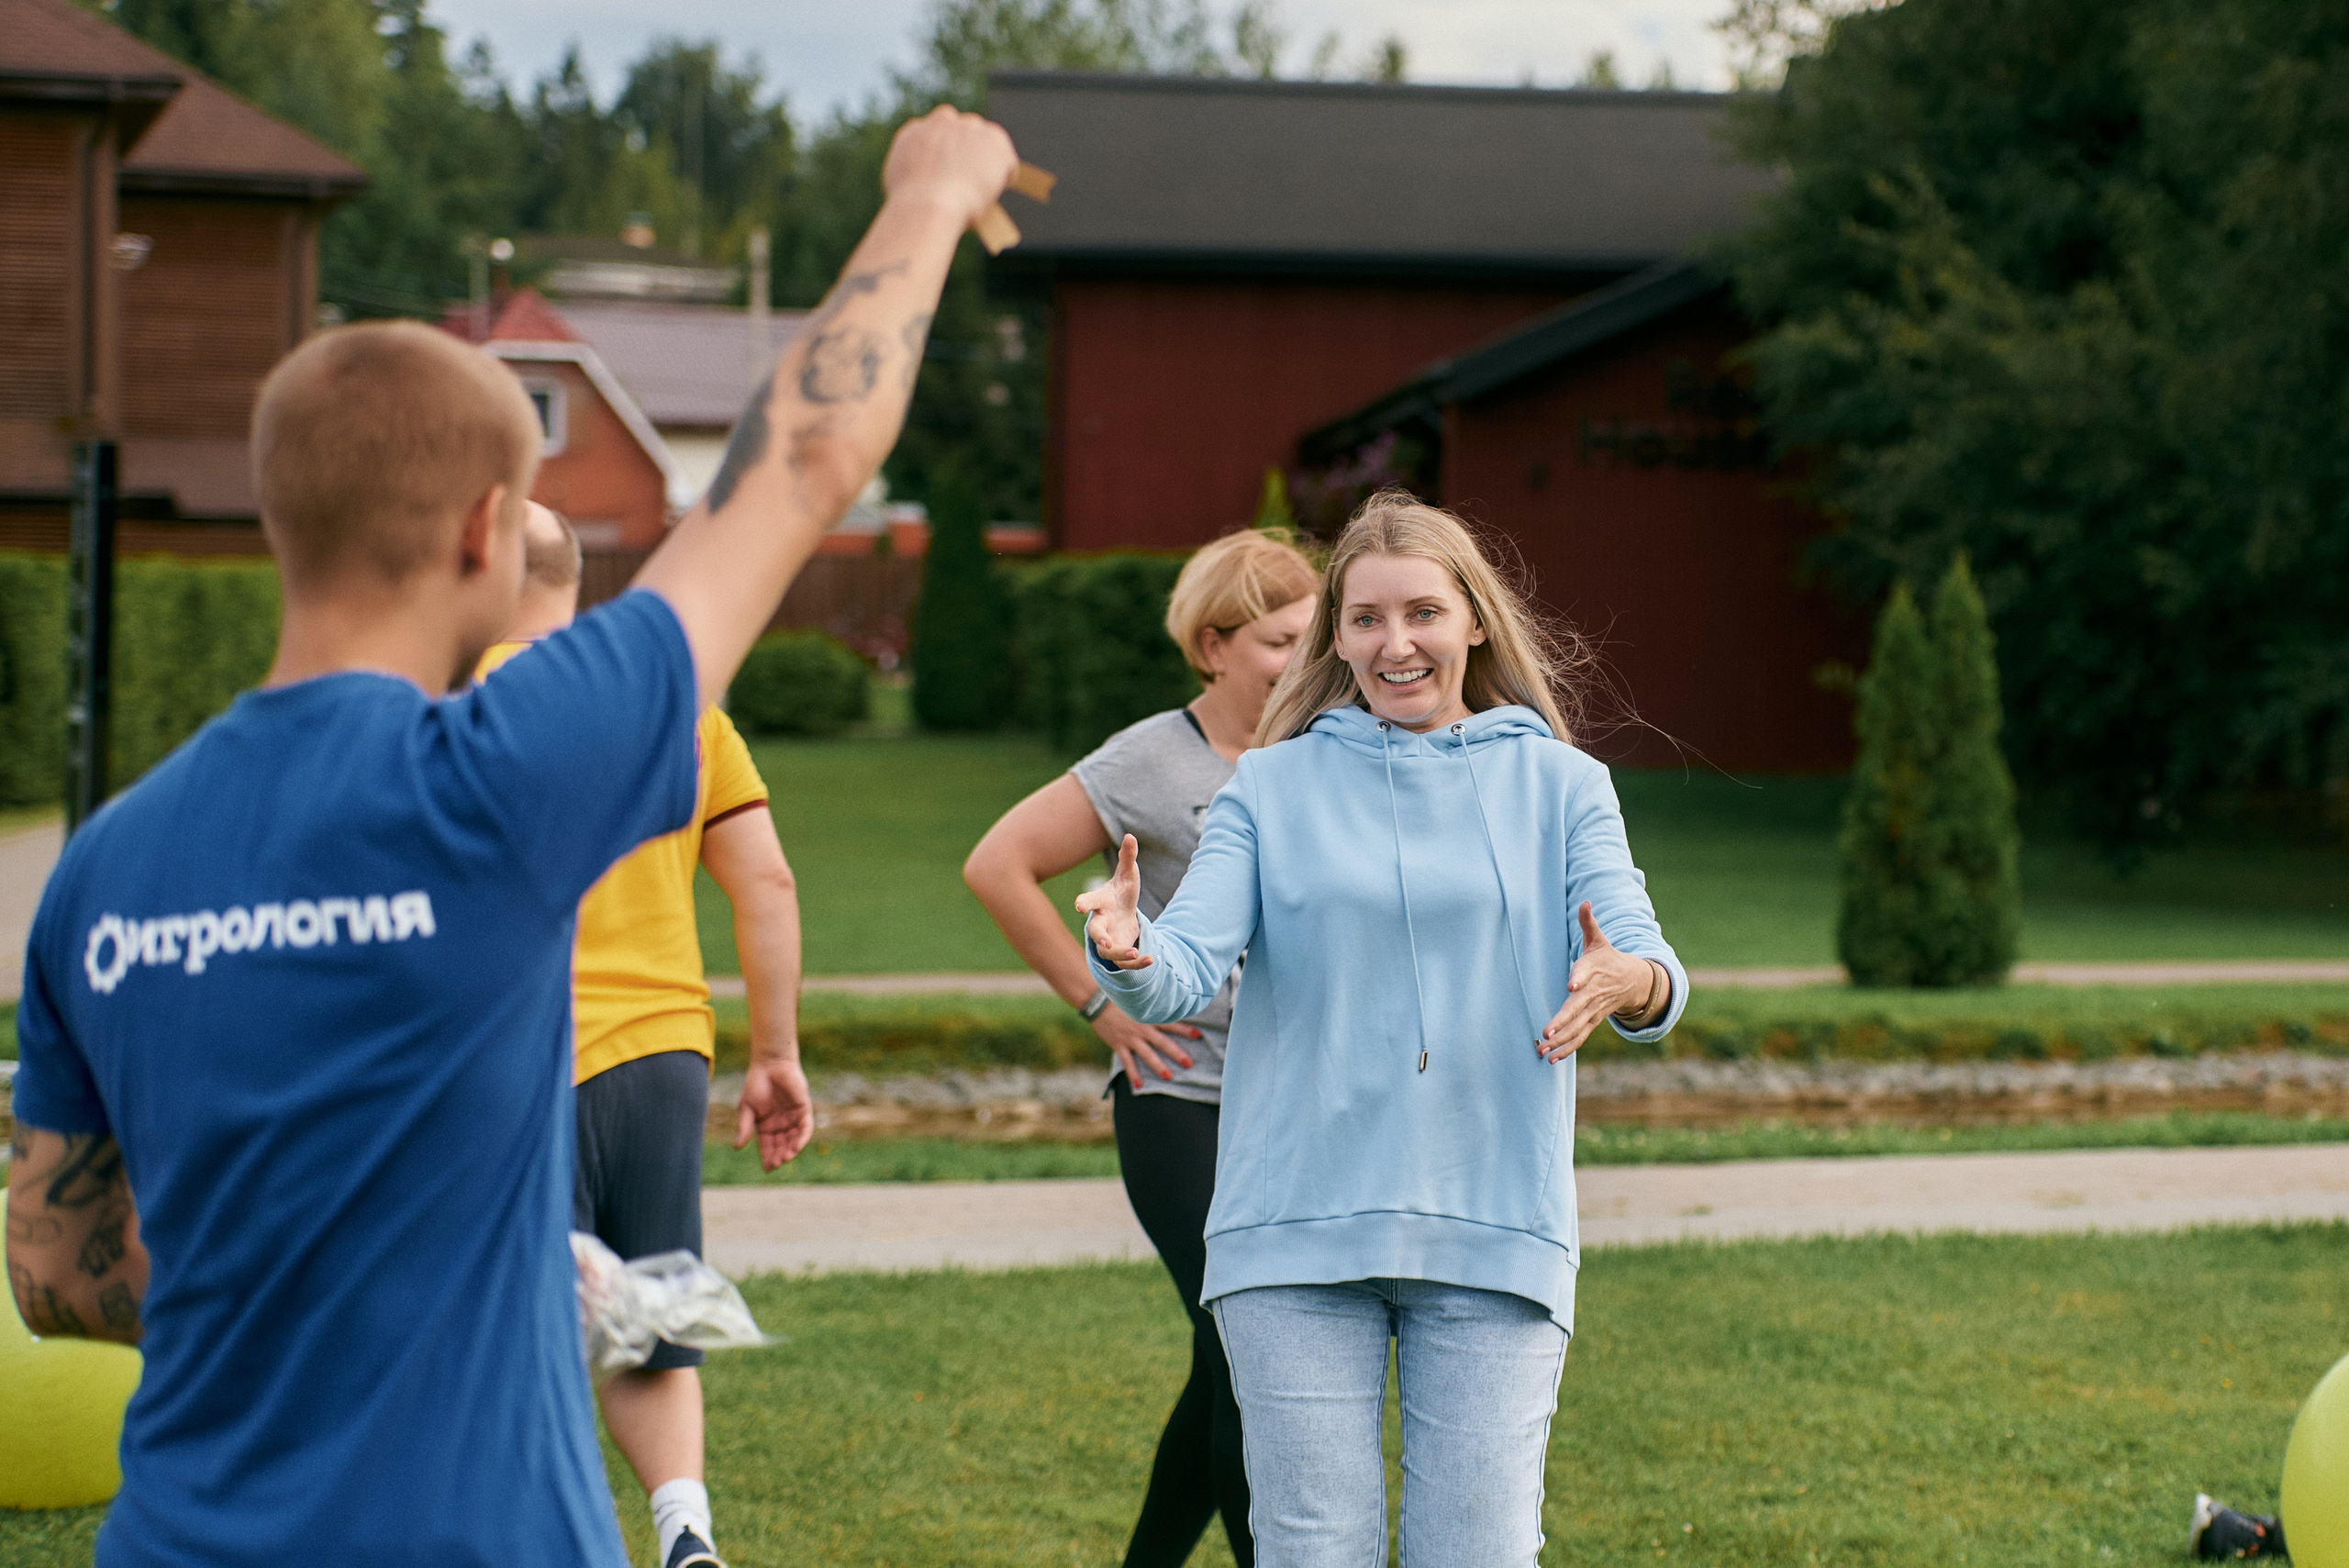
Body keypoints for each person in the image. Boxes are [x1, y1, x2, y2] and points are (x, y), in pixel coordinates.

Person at [5, 106, 1018, 1567]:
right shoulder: (501, 779)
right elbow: (804, 461)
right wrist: (930, 194)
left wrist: (304, 1276)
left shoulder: (101, 865)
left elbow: (53, 1275)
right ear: (491, 529)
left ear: (280, 519)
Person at [1075, 492, 1690, 1566]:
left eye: (1421, 612)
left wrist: (1623, 978)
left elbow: (1650, 964)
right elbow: (1179, 972)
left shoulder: (1562, 783)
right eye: (1364, 618)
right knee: (1312, 1550)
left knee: (1480, 1550)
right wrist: (1125, 949)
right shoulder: (1267, 786)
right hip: (1291, 1232)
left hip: (1493, 1224)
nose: (1394, 642)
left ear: (1474, 621)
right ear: (1336, 636)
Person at [964, 528, 1319, 1568]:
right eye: (1277, 641)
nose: (1302, 662)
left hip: (1294, 1099)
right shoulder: (1148, 760)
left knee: (1234, 1355)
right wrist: (1101, 1004)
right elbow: (998, 864)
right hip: (1180, 1095)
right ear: (1212, 645)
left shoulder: (1328, 750)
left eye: (1312, 639)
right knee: (1240, 1342)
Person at [478, 503, 811, 1568]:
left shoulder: (441, 699)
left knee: (513, 1327)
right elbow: (765, 877)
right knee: (648, 1312)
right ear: (576, 576)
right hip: (664, 1050)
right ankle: (685, 1529)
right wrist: (774, 1052)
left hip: (515, 1059)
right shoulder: (678, 706)